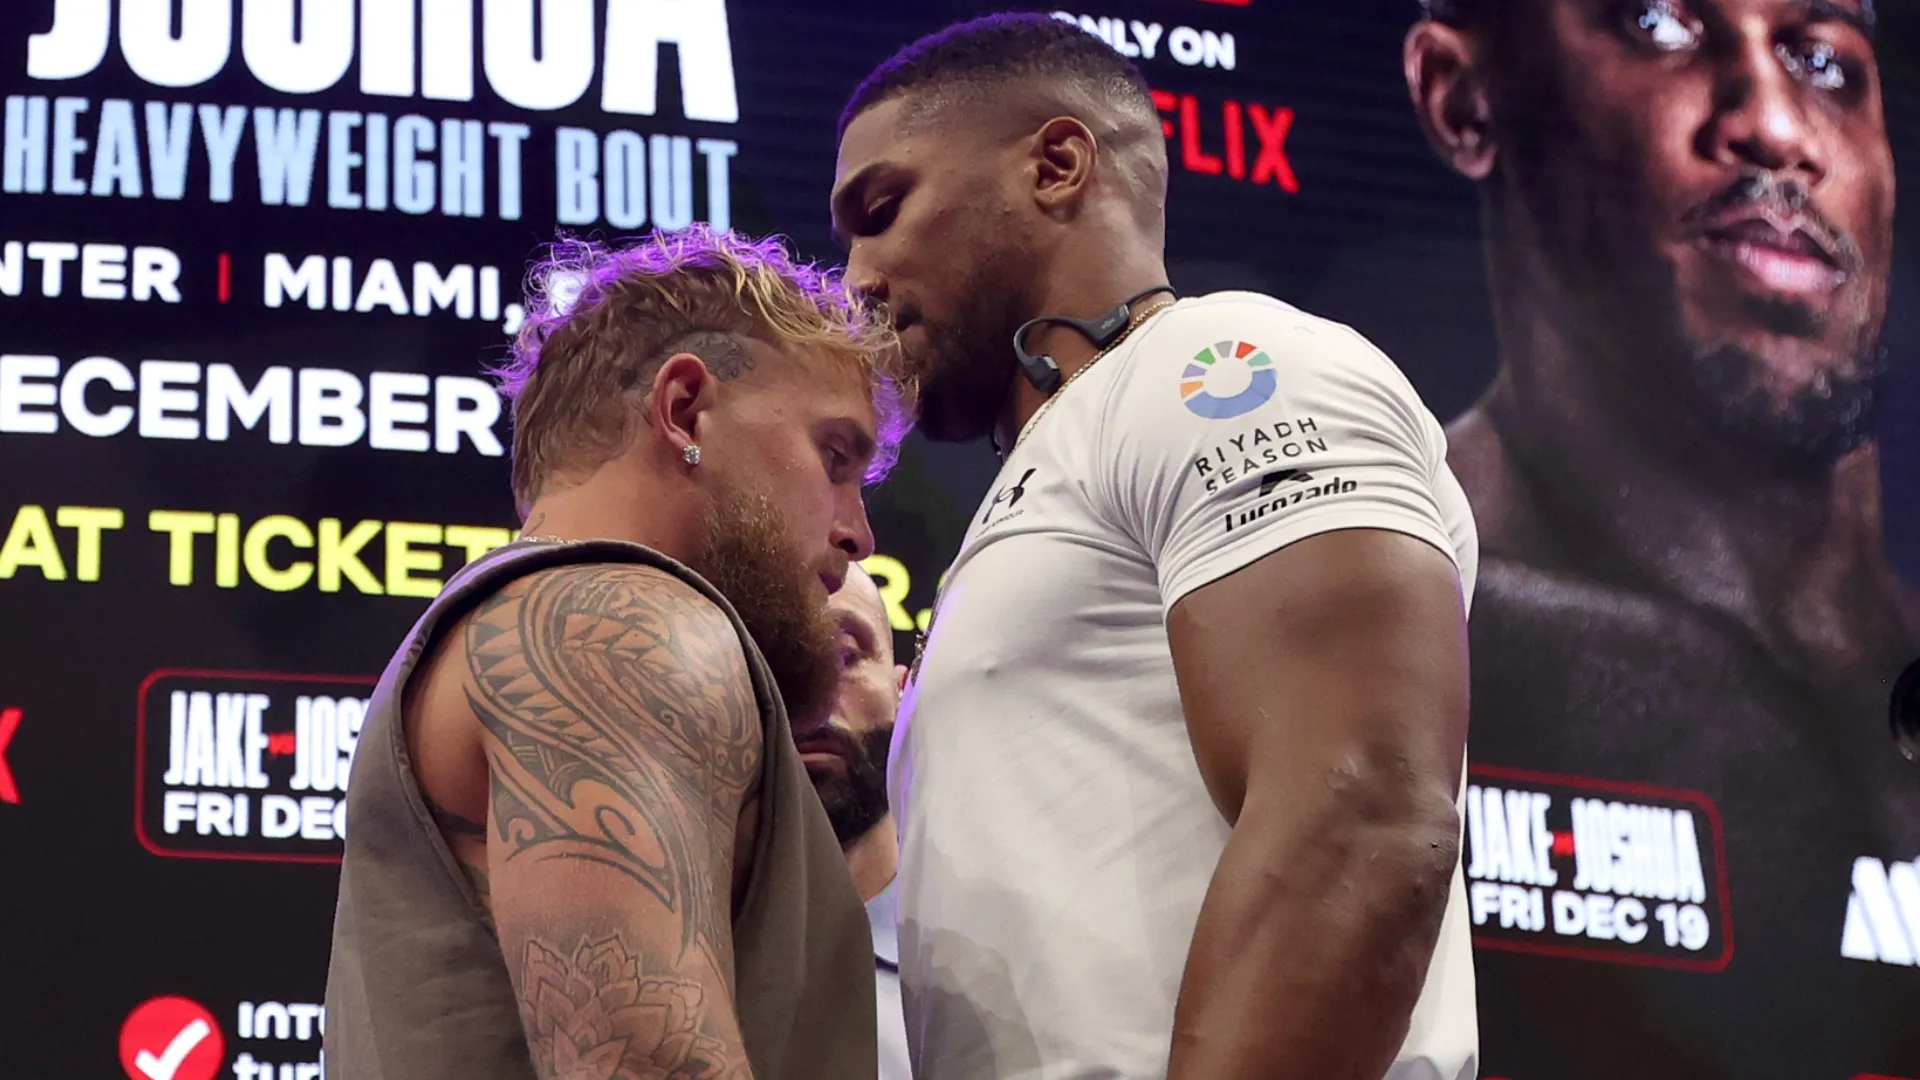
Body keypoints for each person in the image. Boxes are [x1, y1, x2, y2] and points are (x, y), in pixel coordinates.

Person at [833, 14, 1480, 1080]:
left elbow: (1363, 802)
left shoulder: (1223, 364)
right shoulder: (1038, 496)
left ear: (1056, 165)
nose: (856, 275)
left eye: (883, 209)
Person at [1404, 0, 1920, 1075]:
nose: (1775, 126)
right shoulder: (1374, 615)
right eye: (1660, 26)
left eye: (1824, 60)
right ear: (1462, 99)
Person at [323, 224, 914, 1080]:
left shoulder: (540, 613)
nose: (856, 532)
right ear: (685, 412)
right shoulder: (611, 621)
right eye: (833, 456)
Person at [802, 562, 913, 1080]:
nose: (816, 697)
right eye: (774, 663)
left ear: (904, 693)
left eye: (847, 655)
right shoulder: (668, 966)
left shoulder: (996, 970)